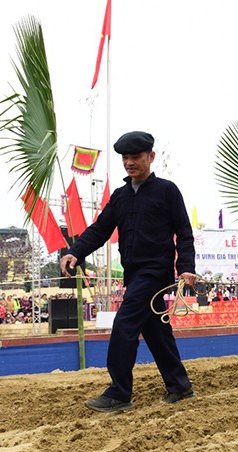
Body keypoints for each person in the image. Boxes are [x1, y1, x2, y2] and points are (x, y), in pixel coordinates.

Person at [60, 131, 197, 413]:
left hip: (155, 274)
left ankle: (119, 392)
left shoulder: (167, 191)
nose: (130, 163)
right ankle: (180, 386)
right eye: (126, 158)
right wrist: (75, 252)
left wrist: (186, 268)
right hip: (133, 275)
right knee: (156, 331)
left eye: (136, 157)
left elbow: (184, 232)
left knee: (124, 325)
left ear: (151, 157)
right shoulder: (120, 197)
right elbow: (100, 230)